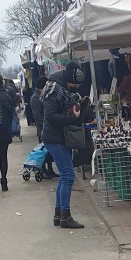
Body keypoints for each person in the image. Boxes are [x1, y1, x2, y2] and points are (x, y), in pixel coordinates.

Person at [41, 61, 86, 229]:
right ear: (68, 80)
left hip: (59, 138)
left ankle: (59, 214)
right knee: (68, 176)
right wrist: (73, 118)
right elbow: (51, 117)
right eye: (73, 84)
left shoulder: (63, 89)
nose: (75, 88)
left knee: (64, 177)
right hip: (56, 138)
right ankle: (65, 216)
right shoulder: (54, 91)